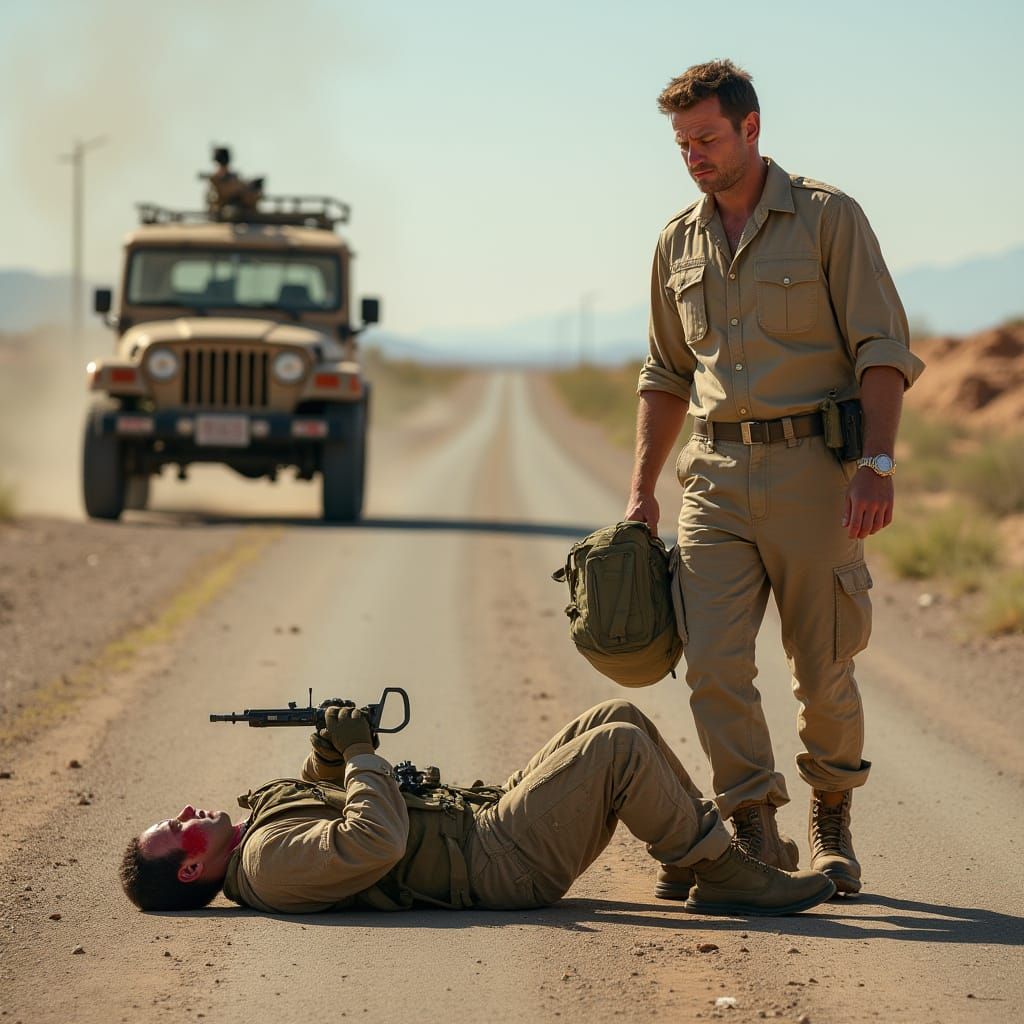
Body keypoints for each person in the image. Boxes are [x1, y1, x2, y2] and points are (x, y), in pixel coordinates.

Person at [625, 60, 924, 894]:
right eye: (683, 143)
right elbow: (665, 372)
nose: (694, 155)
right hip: (713, 476)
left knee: (822, 664)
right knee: (714, 662)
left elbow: (882, 350)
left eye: (708, 138)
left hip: (815, 475)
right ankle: (753, 824)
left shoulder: (830, 218)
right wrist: (643, 489)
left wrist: (877, 464)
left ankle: (832, 818)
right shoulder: (675, 242)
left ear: (752, 129)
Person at [119, 701, 835, 917]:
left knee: (615, 716)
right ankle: (719, 871)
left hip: (483, 826)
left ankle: (690, 859)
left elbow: (322, 811)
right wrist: (365, 754)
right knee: (616, 748)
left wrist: (329, 756)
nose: (186, 811)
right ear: (189, 872)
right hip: (497, 863)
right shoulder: (266, 868)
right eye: (176, 829)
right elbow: (371, 843)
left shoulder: (255, 843)